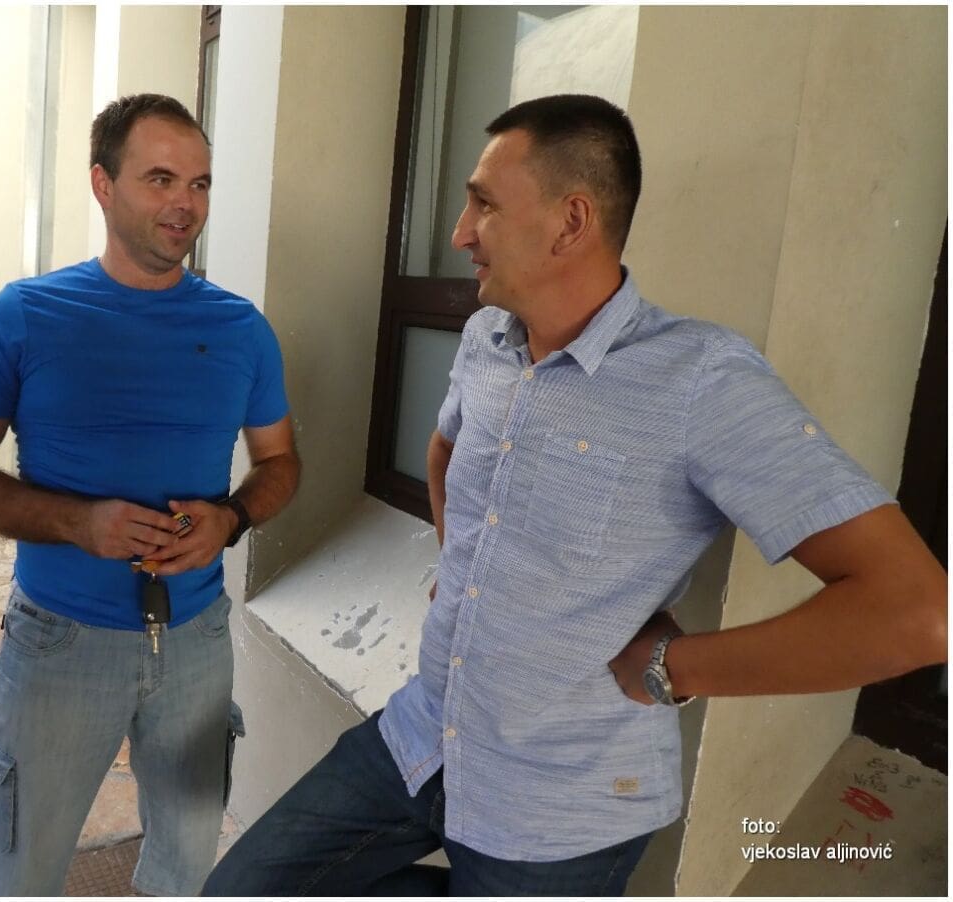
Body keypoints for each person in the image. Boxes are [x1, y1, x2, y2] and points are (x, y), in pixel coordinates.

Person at [202, 94, 946, 896]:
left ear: (571, 222)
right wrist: (463, 564)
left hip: (560, 807)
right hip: (424, 737)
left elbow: (915, 613)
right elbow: (447, 448)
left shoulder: (701, 379)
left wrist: (672, 667)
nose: (460, 233)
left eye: (484, 204)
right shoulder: (487, 340)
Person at [0, 93, 300, 896]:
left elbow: (280, 462)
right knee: (20, 872)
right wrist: (76, 523)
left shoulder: (241, 329)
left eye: (200, 183)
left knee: (186, 868)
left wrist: (232, 517)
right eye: (161, 179)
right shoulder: (26, 316)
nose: (185, 203)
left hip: (197, 641)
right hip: (60, 644)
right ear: (103, 183)